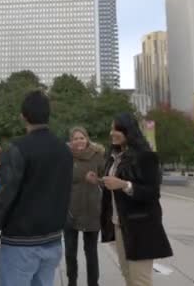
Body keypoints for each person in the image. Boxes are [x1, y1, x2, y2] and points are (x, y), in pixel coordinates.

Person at [0, 90, 73, 286]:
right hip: (53, 238)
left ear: (23, 116)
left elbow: (5, 196)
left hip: (21, 242)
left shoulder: (18, 149)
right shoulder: (65, 150)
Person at [100, 113, 173, 286]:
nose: (112, 133)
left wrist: (124, 185)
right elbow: (115, 185)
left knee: (140, 280)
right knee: (128, 276)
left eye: (116, 129)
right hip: (119, 225)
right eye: (111, 129)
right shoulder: (116, 156)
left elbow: (152, 193)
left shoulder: (146, 156)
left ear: (128, 130)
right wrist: (100, 181)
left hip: (140, 228)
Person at [64, 127, 105, 286]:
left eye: (82, 138)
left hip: (92, 210)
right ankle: (71, 282)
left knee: (91, 252)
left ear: (87, 139)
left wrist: (97, 180)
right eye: (75, 138)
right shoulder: (66, 157)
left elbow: (108, 180)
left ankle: (93, 283)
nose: (79, 141)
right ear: (71, 141)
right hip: (70, 211)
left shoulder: (97, 157)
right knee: (70, 252)